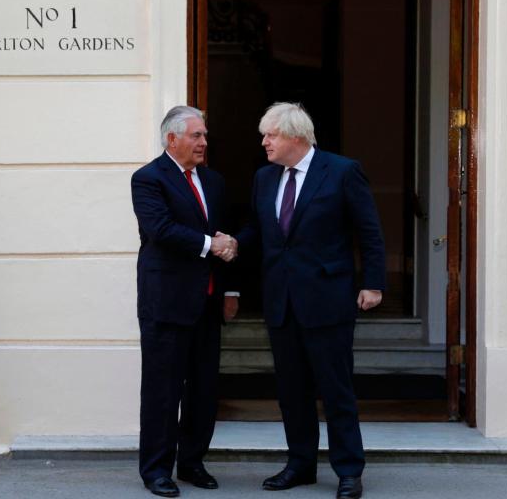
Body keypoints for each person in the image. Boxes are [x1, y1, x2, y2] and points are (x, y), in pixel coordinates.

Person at [235, 102, 385, 499]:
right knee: (292, 392)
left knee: (336, 389)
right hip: (281, 302)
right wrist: (233, 245)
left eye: (271, 135)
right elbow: (258, 227)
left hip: (327, 300)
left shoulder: (340, 171)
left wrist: (373, 283)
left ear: (296, 137)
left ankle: (349, 471)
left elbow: (368, 231)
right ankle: (300, 465)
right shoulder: (264, 178)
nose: (264, 142)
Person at [131, 105, 239, 497]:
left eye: (205, 136)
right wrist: (213, 245)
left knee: (204, 389)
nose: (204, 143)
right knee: (163, 389)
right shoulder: (148, 179)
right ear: (171, 138)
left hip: (207, 303)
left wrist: (230, 290)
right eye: (197, 136)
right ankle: (156, 470)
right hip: (167, 302)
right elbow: (160, 230)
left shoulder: (213, 181)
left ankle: (192, 462)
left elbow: (224, 235)